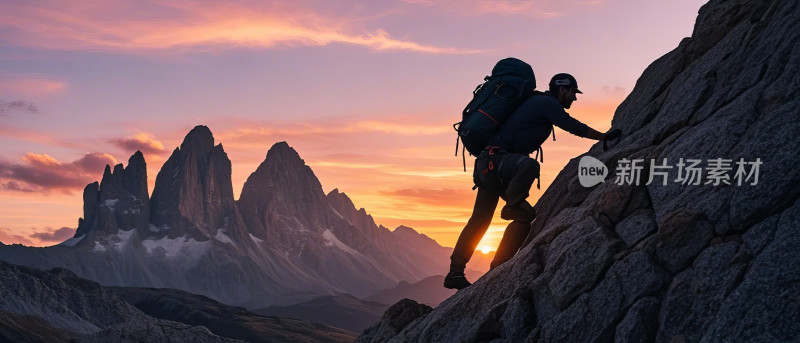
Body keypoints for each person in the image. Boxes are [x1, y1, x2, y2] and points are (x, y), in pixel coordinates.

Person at [444, 73, 621, 290]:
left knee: (502, 219)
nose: (574, 99)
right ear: (562, 89)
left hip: (488, 165)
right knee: (529, 167)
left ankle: (480, 270)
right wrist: (603, 137)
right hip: (498, 162)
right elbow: (571, 125)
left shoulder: (536, 102)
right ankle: (511, 206)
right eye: (573, 93)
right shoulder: (546, 103)